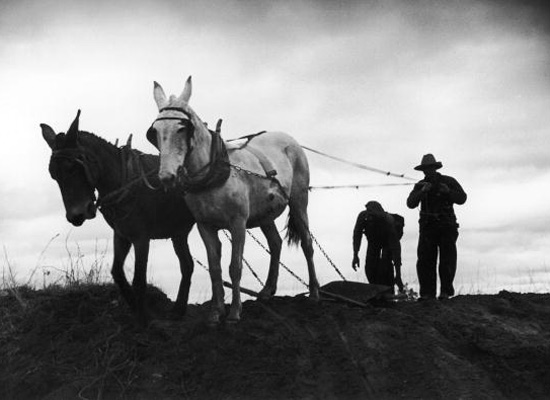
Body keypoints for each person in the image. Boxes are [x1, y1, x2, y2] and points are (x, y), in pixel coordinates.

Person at [407, 154, 467, 300]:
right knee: (425, 261)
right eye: (425, 169)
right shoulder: (420, 185)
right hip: (428, 228)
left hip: (447, 226)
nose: (427, 171)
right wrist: (422, 192)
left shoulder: (448, 181)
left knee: (447, 260)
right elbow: (410, 203)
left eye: (429, 168)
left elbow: (462, 198)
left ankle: (445, 292)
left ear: (435, 168)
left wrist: (448, 192)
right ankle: (427, 294)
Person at [352, 201, 405, 294]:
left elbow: (396, 249)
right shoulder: (364, 217)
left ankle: (388, 292)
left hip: (387, 243)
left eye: (372, 214)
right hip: (373, 242)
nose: (369, 216)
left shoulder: (388, 222)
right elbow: (357, 235)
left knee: (386, 266)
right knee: (370, 268)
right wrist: (355, 255)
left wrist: (398, 275)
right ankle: (375, 292)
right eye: (368, 212)